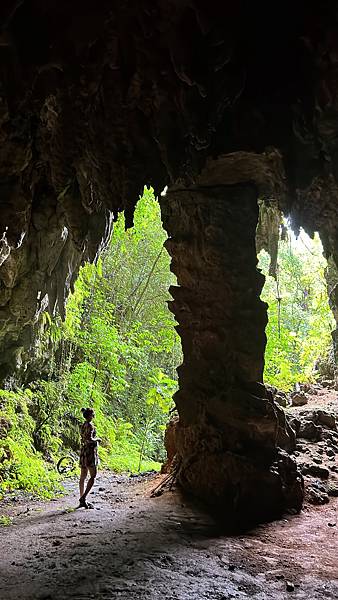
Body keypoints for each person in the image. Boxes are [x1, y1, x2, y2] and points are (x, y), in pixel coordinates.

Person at [79, 407, 101, 508]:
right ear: (89, 416)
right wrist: (97, 440)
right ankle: (84, 497)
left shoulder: (82, 425)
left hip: (83, 451)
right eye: (93, 414)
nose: (94, 416)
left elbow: (84, 438)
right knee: (93, 475)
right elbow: (89, 439)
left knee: (83, 476)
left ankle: (82, 498)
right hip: (90, 452)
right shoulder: (90, 426)